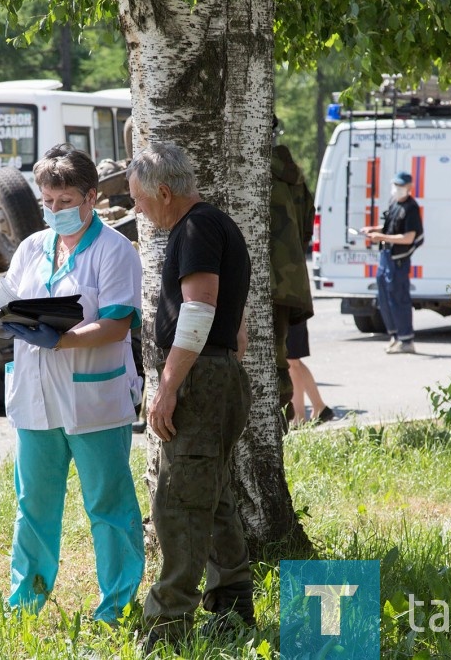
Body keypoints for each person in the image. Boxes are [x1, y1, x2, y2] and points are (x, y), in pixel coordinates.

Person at [0, 143, 145, 625]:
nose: (55, 211)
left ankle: (117, 606)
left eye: (64, 202)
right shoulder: (31, 248)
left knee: (108, 506)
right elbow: (9, 300)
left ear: (91, 197)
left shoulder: (114, 251)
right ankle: (25, 603)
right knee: (34, 507)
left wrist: (59, 341)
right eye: (47, 202)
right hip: (35, 399)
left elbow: (116, 324)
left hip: (95, 399)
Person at [126, 141, 254, 651]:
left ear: (162, 191)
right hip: (217, 374)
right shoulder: (218, 225)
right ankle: (231, 611)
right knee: (215, 496)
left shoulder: (197, 228)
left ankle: (167, 626)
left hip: (202, 378)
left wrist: (170, 388)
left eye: (138, 198)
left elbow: (199, 313)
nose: (136, 208)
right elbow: (238, 324)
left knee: (179, 502)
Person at [267, 115, 332, 425]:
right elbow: (308, 228)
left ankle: (282, 420)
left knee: (270, 356)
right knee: (281, 354)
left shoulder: (250, 173)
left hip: (265, 280)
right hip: (291, 281)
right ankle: (284, 420)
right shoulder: (295, 177)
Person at [363, 171, 424, 354]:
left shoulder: (411, 208)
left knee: (399, 298)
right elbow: (390, 226)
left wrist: (381, 236)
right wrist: (373, 229)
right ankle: (395, 336)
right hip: (385, 256)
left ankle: (406, 340)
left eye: (401, 186)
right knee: (384, 298)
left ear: (409, 188)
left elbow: (408, 237)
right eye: (395, 185)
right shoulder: (393, 202)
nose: (397, 189)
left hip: (398, 260)